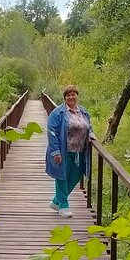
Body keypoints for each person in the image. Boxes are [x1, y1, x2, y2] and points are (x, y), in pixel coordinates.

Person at [45, 85, 95, 218]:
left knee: (75, 177)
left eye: (73, 94)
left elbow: (88, 127)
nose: (71, 97)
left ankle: (56, 201)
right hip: (63, 151)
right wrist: (55, 152)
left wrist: (91, 135)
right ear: (64, 98)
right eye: (68, 95)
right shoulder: (57, 113)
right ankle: (63, 206)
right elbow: (51, 132)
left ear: (77, 96)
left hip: (80, 151)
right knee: (62, 176)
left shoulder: (83, 112)